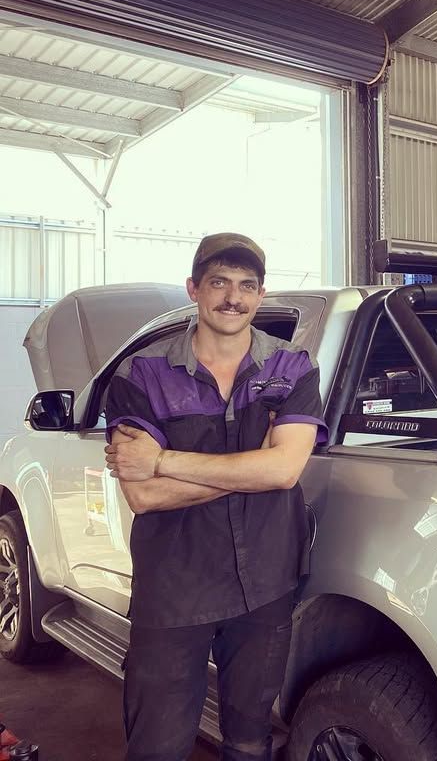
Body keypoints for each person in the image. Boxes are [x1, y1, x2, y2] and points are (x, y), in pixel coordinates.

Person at [104, 233, 326, 761]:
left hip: (265, 583)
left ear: (261, 295)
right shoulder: (142, 374)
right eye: (219, 282)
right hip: (175, 588)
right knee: (157, 746)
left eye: (247, 285)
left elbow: (283, 472)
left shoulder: (291, 367)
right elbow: (143, 496)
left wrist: (163, 459)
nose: (233, 297)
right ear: (194, 289)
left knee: (250, 742)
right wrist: (256, 466)